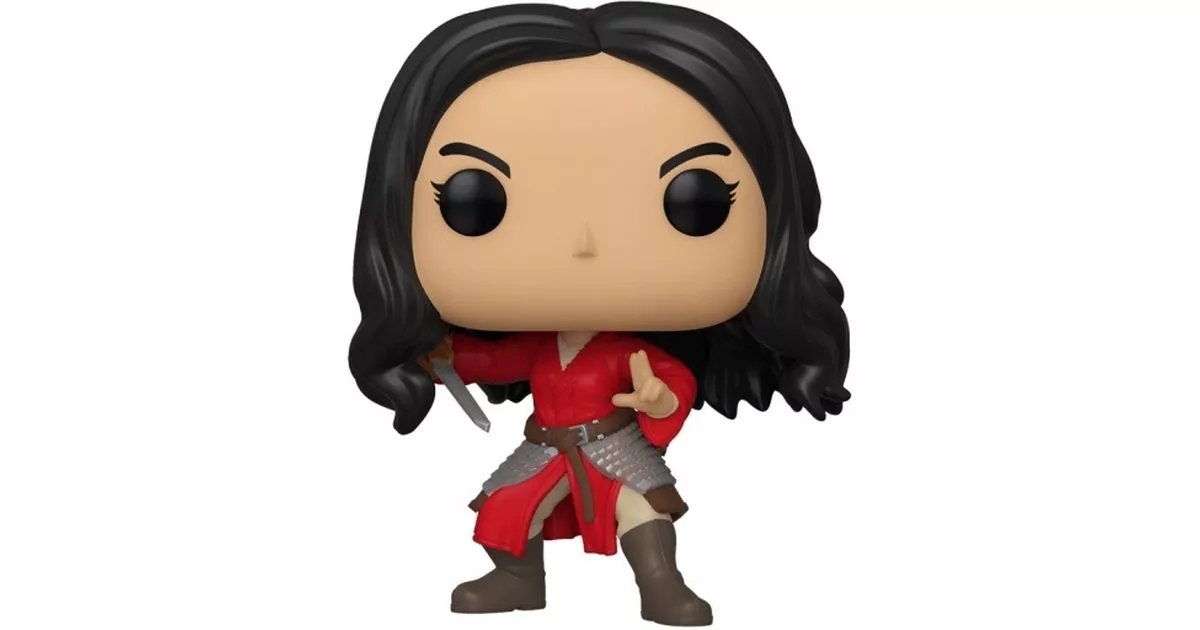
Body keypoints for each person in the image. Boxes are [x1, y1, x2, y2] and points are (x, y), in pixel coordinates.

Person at [348, 3, 851, 626]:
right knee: (506, 505)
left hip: (612, 441)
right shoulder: (543, 347)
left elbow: (671, 380)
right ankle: (517, 578)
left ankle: (662, 586)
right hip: (547, 443)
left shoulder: (625, 353)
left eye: (694, 202)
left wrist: (656, 399)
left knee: (643, 509)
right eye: (475, 202)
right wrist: (452, 357)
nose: (584, 243)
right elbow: (499, 359)